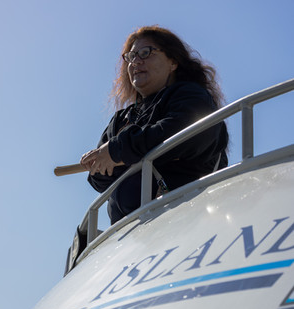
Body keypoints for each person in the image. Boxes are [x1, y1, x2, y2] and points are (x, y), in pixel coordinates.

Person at [80, 26, 229, 225]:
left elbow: (182, 134)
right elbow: (98, 180)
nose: (136, 62)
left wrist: (119, 152)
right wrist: (106, 159)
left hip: (186, 219)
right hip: (132, 235)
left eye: (145, 53)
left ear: (173, 61)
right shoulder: (121, 119)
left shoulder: (190, 95)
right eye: (131, 56)